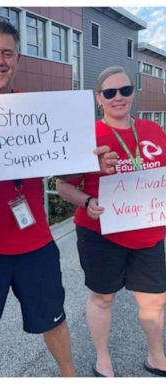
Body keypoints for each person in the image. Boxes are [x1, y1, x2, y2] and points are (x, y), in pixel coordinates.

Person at [0, 20, 117, 377]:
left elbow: (65, 171)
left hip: (35, 242)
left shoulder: (38, 109)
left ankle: (70, 376)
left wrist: (90, 163)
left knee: (55, 321)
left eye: (7, 53)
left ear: (17, 60)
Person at [56, 66, 166, 377]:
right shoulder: (86, 136)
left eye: (125, 90)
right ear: (98, 99)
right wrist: (87, 202)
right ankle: (103, 358)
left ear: (134, 93)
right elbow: (63, 186)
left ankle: (156, 355)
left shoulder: (154, 131)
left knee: (155, 299)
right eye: (110, 93)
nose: (118, 97)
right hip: (101, 233)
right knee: (103, 297)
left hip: (150, 232)